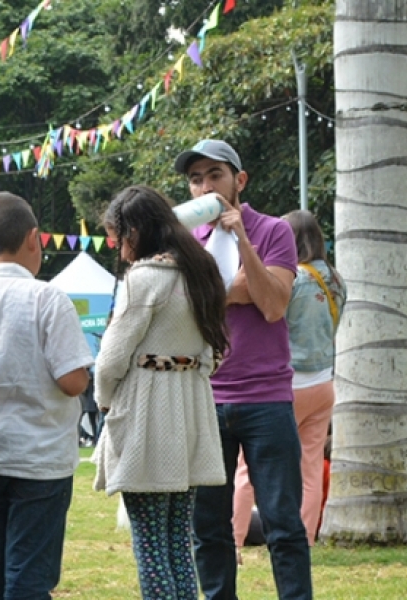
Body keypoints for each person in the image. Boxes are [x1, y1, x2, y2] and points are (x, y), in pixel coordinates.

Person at [175, 139, 311, 600]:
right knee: (208, 527)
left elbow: (273, 304)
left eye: (215, 175)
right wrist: (233, 289)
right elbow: (178, 307)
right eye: (196, 178)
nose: (205, 186)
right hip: (204, 396)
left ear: (239, 180)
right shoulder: (185, 242)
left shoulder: (273, 231)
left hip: (267, 398)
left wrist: (243, 244)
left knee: (283, 523)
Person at [91, 185, 228, 599]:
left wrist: (103, 399)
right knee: (176, 544)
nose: (118, 246)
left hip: (147, 412)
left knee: (150, 545)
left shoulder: (144, 279)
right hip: (190, 409)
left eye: (119, 236)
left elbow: (111, 358)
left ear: (136, 230)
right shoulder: (201, 271)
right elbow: (216, 351)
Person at [0, 192, 93, 599]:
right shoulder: (48, 298)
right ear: (34, 239)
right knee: (30, 578)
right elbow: (73, 381)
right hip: (41, 462)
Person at [231, 209, 346, 555]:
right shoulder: (335, 280)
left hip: (286, 383)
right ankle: (305, 541)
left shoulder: (292, 278)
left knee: (247, 466)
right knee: (310, 467)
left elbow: (271, 310)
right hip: (324, 382)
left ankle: (234, 540)